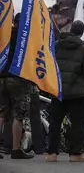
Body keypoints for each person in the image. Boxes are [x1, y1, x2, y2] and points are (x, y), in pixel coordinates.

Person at [46, 20, 84, 163]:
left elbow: (50, 66)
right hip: (78, 92)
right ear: (81, 32)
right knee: (77, 123)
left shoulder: (56, 45)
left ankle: (52, 153)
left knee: (55, 122)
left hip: (58, 89)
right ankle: (75, 154)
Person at [0, 13, 34, 159]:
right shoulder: (25, 38)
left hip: (2, 76)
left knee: (1, 114)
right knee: (19, 115)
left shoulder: (5, 33)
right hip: (17, 77)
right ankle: (16, 149)